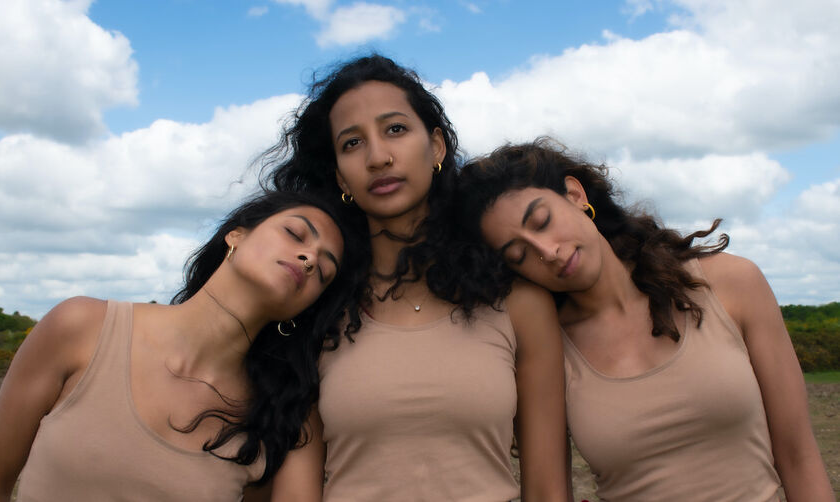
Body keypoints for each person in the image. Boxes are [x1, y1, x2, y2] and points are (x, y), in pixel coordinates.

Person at [455, 137, 835, 502]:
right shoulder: (548, 350)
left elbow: (799, 457)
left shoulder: (732, 284)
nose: (548, 252)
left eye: (541, 221)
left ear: (575, 196)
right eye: (519, 255)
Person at [264, 55, 568, 501]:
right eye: (351, 143)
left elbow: (547, 490)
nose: (378, 157)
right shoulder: (315, 308)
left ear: (438, 147)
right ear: (339, 176)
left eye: (395, 129)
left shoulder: (518, 303)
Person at [0, 191, 357, 501]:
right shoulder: (82, 327)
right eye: (295, 234)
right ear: (235, 235)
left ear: (303, 309)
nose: (310, 259)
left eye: (324, 271)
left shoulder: (281, 414)